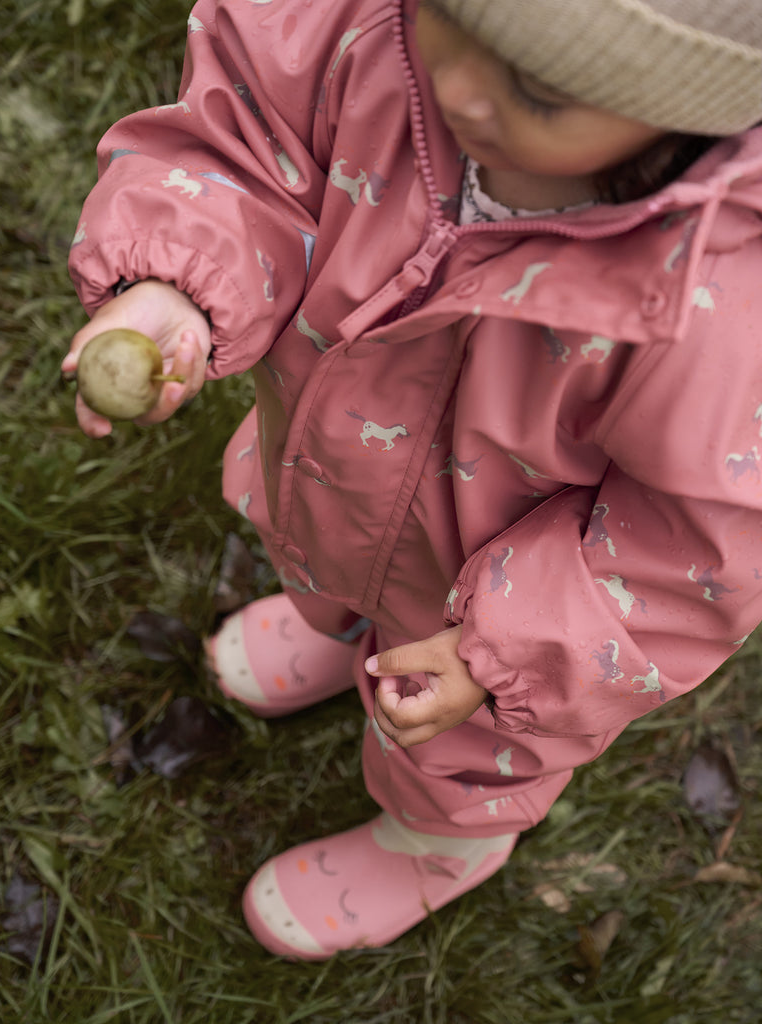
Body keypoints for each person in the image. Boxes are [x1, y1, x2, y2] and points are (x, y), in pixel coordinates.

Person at [63, 0, 762, 959]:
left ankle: (436, 847)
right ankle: (340, 622)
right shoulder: (368, 36)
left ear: (692, 111)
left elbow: (693, 555)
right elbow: (248, 134)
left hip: (495, 618)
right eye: (444, 15)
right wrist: (178, 275)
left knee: (453, 753)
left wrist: (499, 655)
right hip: (327, 475)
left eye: (537, 90)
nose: (457, 86)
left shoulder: (724, 313)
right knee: (315, 556)